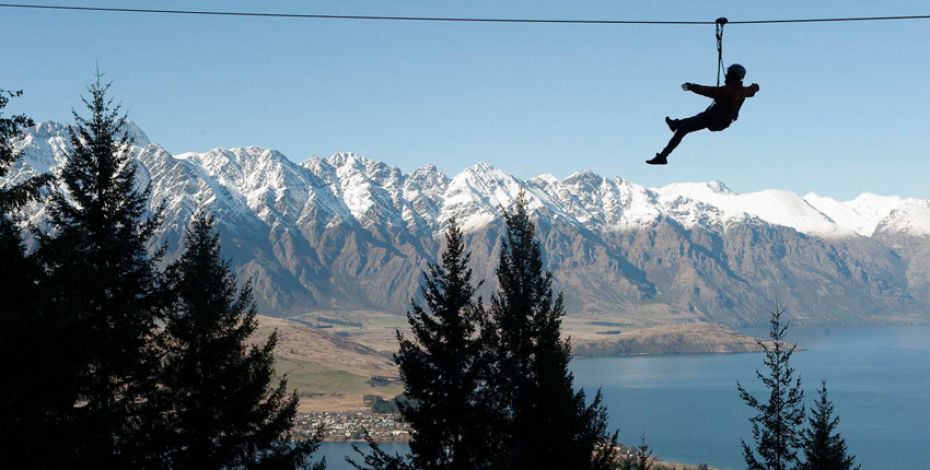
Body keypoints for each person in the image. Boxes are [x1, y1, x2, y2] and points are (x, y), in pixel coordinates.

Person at [647, 63, 760, 165]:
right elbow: (752, 90)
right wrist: (756, 87)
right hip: (718, 120)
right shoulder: (743, 91)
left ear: (733, 76)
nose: (726, 75)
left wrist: (691, 87)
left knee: (683, 129)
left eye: (728, 73)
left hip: (713, 120)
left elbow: (708, 91)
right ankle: (675, 124)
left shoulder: (727, 90)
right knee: (698, 117)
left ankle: (663, 156)